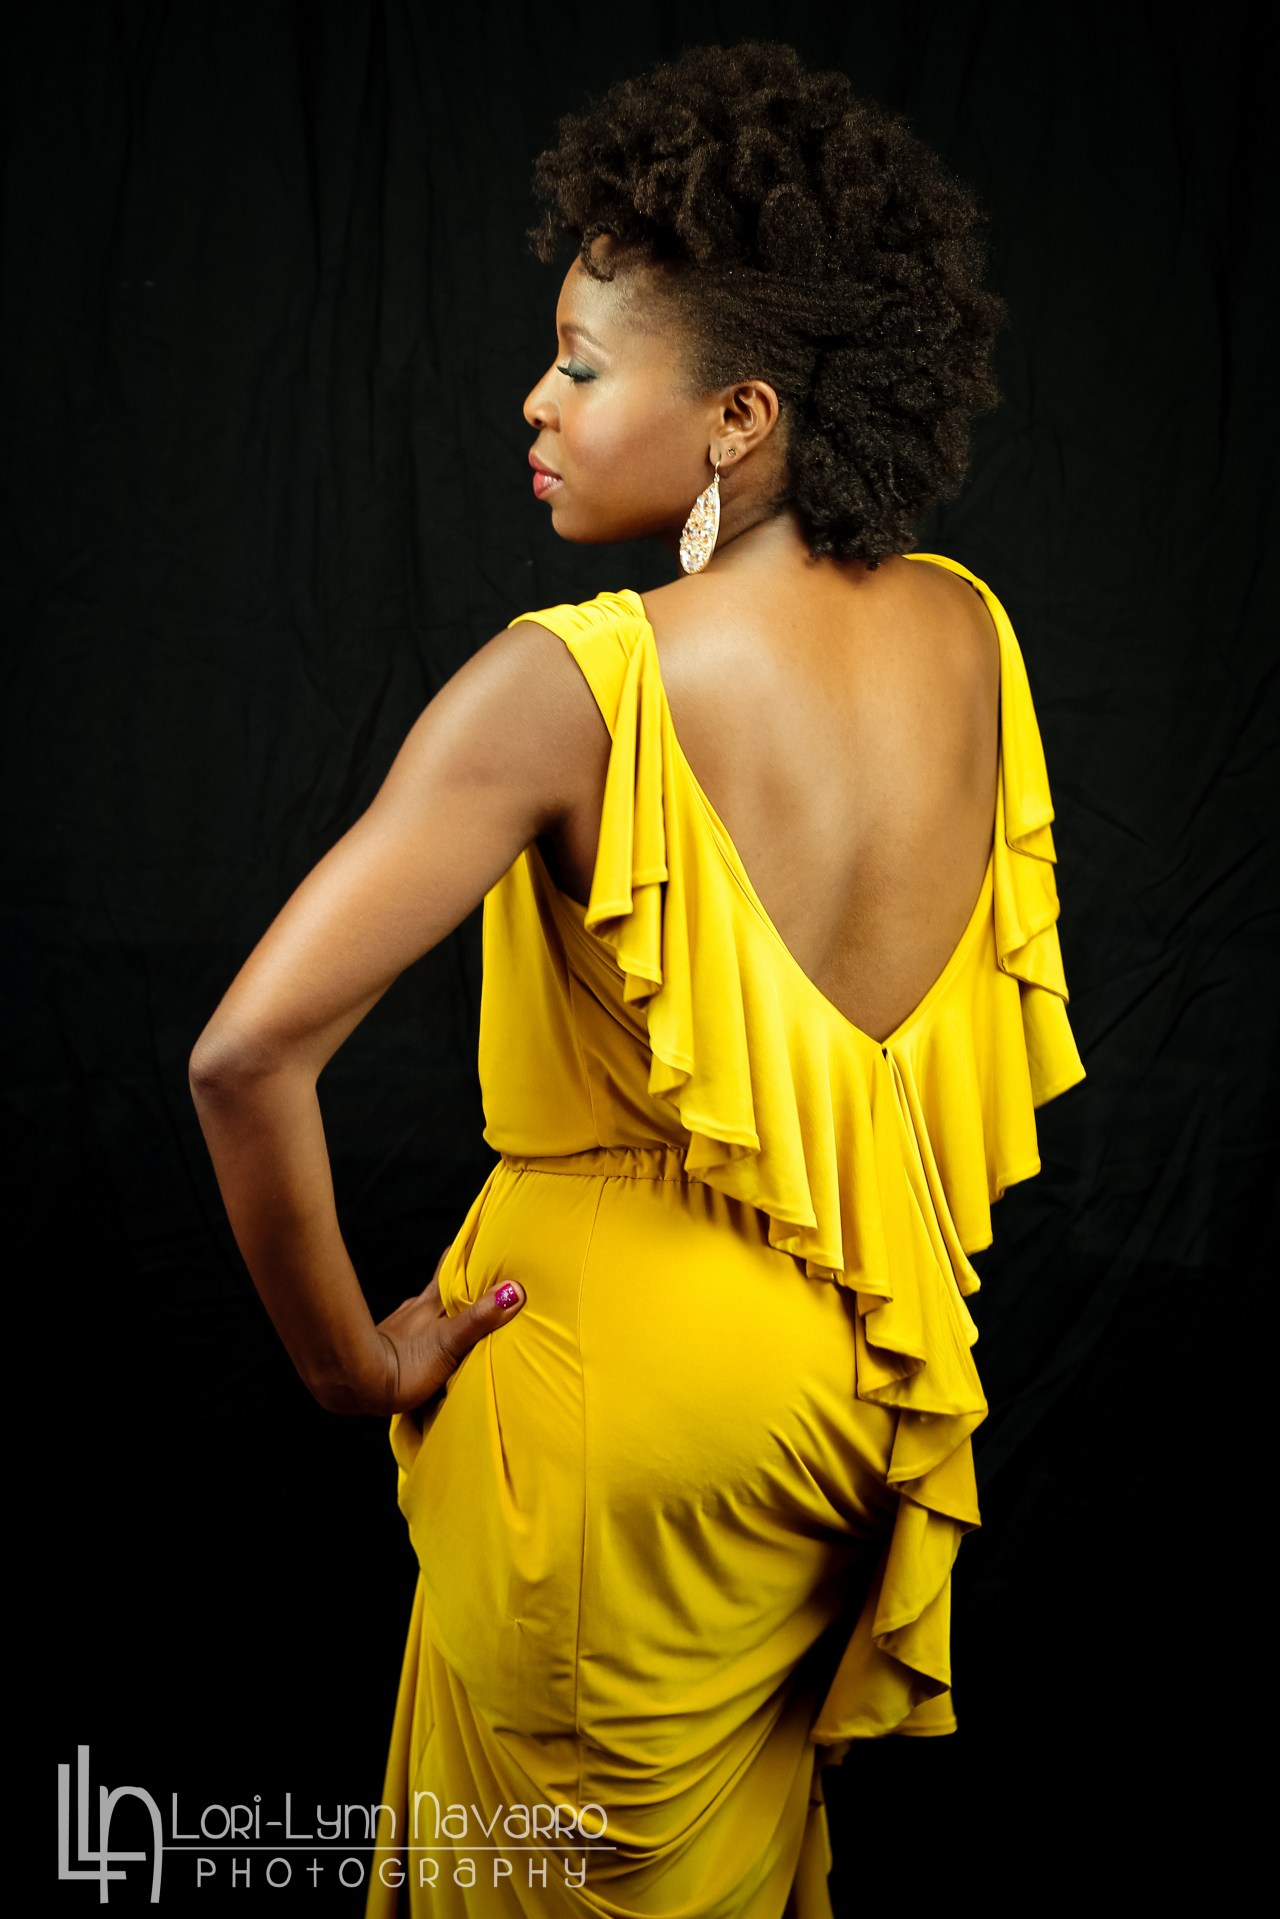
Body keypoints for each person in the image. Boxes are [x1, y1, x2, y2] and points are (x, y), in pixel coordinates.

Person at [189, 42, 1084, 1919]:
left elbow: (243, 1056)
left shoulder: (573, 684)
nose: (537, 398)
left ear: (742, 414)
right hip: (842, 1408)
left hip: (608, 1428)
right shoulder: (971, 633)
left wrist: (356, 1367)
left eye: (586, 367)